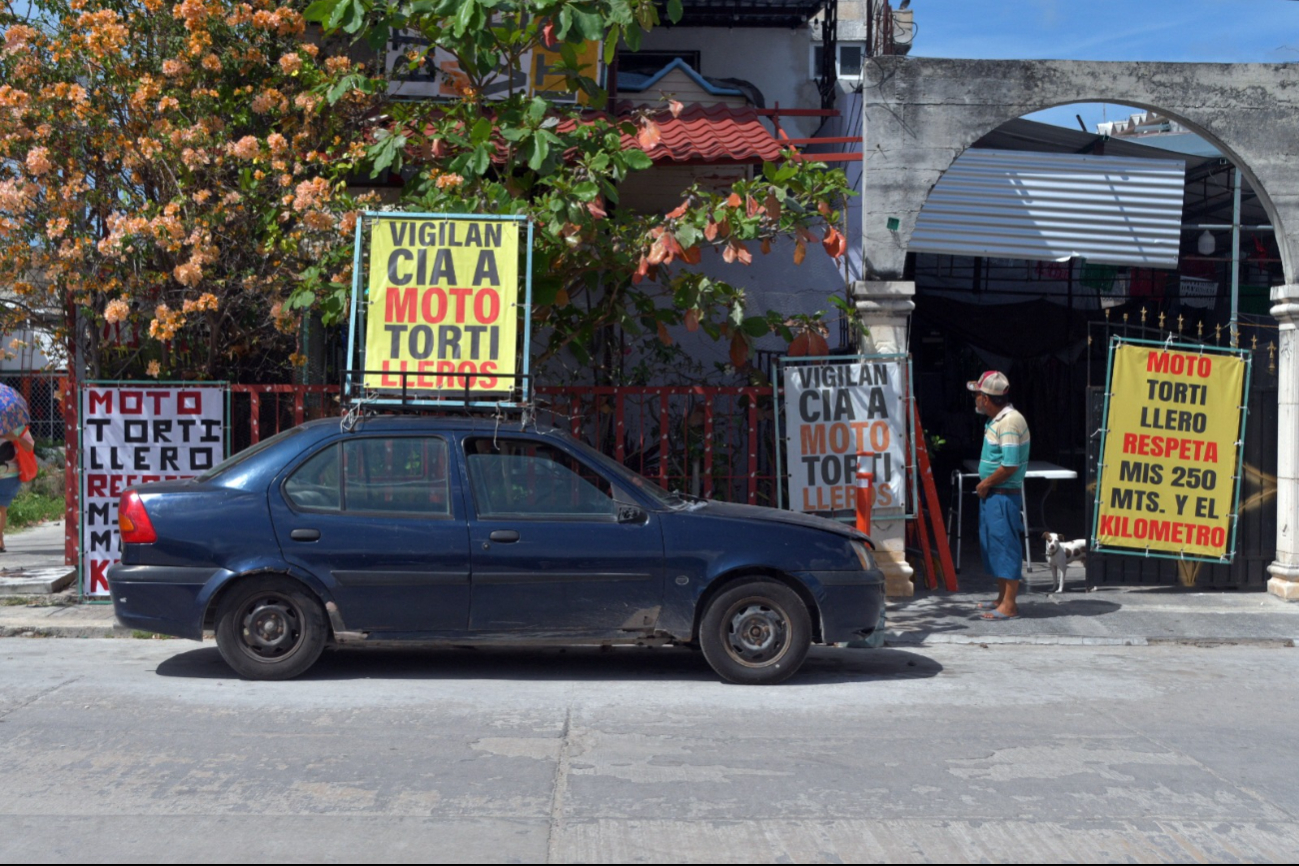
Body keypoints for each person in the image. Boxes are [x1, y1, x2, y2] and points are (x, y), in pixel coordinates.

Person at [968, 370, 1030, 620]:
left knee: (1006, 547)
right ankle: (1002, 598)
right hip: (995, 493)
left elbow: (1011, 464)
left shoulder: (1010, 422)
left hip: (1002, 494)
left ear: (985, 398)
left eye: (977, 395)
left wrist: (986, 484)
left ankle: (1009, 605)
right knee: (995, 545)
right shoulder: (997, 420)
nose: (975, 399)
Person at [0, 424, 35, 553]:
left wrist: (15, 438)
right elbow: (30, 446)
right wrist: (16, 438)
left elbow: (30, 446)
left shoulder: (15, 427)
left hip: (9, 475)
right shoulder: (15, 425)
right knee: (1, 508)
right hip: (11, 474)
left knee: (1, 507)